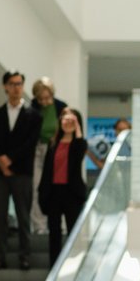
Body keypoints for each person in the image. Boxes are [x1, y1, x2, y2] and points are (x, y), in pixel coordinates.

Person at [0, 69, 41, 269]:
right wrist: (2, 161)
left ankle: (24, 255)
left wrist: (11, 161)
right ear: (5, 87)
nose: (16, 88)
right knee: (0, 216)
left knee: (23, 215)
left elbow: (29, 144)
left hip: (22, 172)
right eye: (12, 84)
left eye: (19, 84)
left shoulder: (34, 116)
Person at [37, 105, 96, 258]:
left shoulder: (78, 143)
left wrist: (76, 126)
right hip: (54, 193)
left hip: (71, 193)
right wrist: (42, 192)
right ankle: (54, 267)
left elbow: (79, 152)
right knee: (54, 233)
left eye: (71, 119)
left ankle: (72, 264)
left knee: (73, 232)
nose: (67, 122)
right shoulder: (53, 143)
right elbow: (46, 172)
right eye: (65, 118)